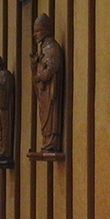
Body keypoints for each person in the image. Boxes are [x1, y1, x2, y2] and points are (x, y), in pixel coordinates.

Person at [30, 13, 63, 153]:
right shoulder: (43, 49)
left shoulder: (52, 48)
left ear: (46, 30)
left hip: (50, 91)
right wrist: (34, 64)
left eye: (37, 31)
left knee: (50, 115)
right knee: (44, 115)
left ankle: (51, 141)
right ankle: (47, 140)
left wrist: (39, 76)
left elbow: (52, 69)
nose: (35, 34)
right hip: (43, 91)